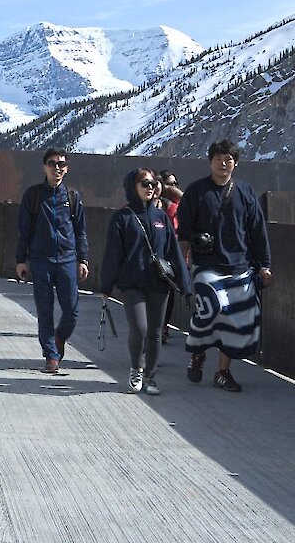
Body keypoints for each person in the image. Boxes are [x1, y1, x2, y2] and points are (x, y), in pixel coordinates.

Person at [177, 140, 272, 391]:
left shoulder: (246, 193)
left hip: (239, 267)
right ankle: (198, 351)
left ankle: (222, 371)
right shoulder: (196, 192)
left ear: (236, 163)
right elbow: (184, 232)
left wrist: (265, 266)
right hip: (206, 265)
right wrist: (181, 264)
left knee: (233, 320)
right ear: (210, 161)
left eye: (228, 158)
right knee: (209, 309)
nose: (223, 163)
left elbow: (258, 232)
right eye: (218, 158)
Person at [98, 169, 190, 394]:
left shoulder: (161, 219)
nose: (150, 187)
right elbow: (113, 254)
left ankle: (150, 376)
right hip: (132, 283)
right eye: (144, 183)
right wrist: (106, 286)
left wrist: (185, 285)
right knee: (139, 328)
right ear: (133, 186)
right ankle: (135, 368)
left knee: (156, 333)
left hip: (159, 283)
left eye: (153, 183)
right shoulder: (123, 218)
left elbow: (173, 252)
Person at [14, 149, 88, 374]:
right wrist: (21, 260)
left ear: (67, 168)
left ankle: (59, 338)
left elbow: (80, 230)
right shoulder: (34, 195)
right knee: (45, 310)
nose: (57, 168)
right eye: (52, 163)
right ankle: (51, 356)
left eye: (61, 164)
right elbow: (24, 230)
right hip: (41, 260)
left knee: (72, 310)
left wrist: (83, 258)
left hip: (67, 259)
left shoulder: (73, 197)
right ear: (44, 167)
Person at [157, 173, 185, 346]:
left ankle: (162, 326)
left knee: (169, 293)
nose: (171, 187)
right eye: (168, 184)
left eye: (175, 183)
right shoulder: (151, 205)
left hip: (170, 258)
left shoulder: (174, 207)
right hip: (151, 258)